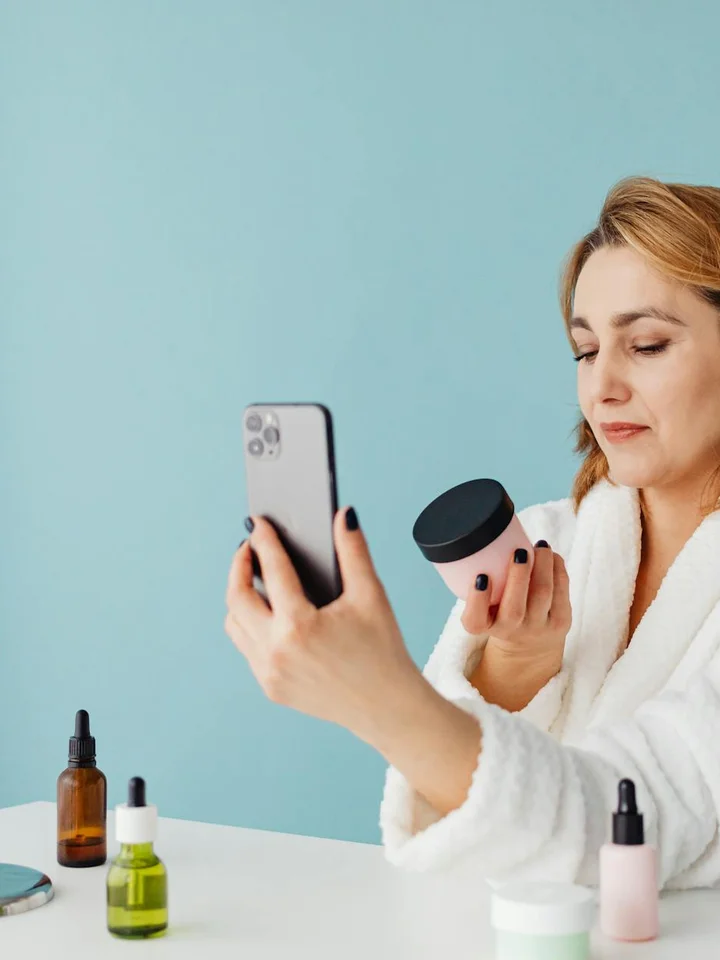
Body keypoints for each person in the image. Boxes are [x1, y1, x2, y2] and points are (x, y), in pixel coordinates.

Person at [225, 176, 720, 890]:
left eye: (645, 345)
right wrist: (515, 669)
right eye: (585, 351)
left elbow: (628, 823)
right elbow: (435, 815)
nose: (601, 384)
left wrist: (382, 696)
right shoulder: (553, 541)